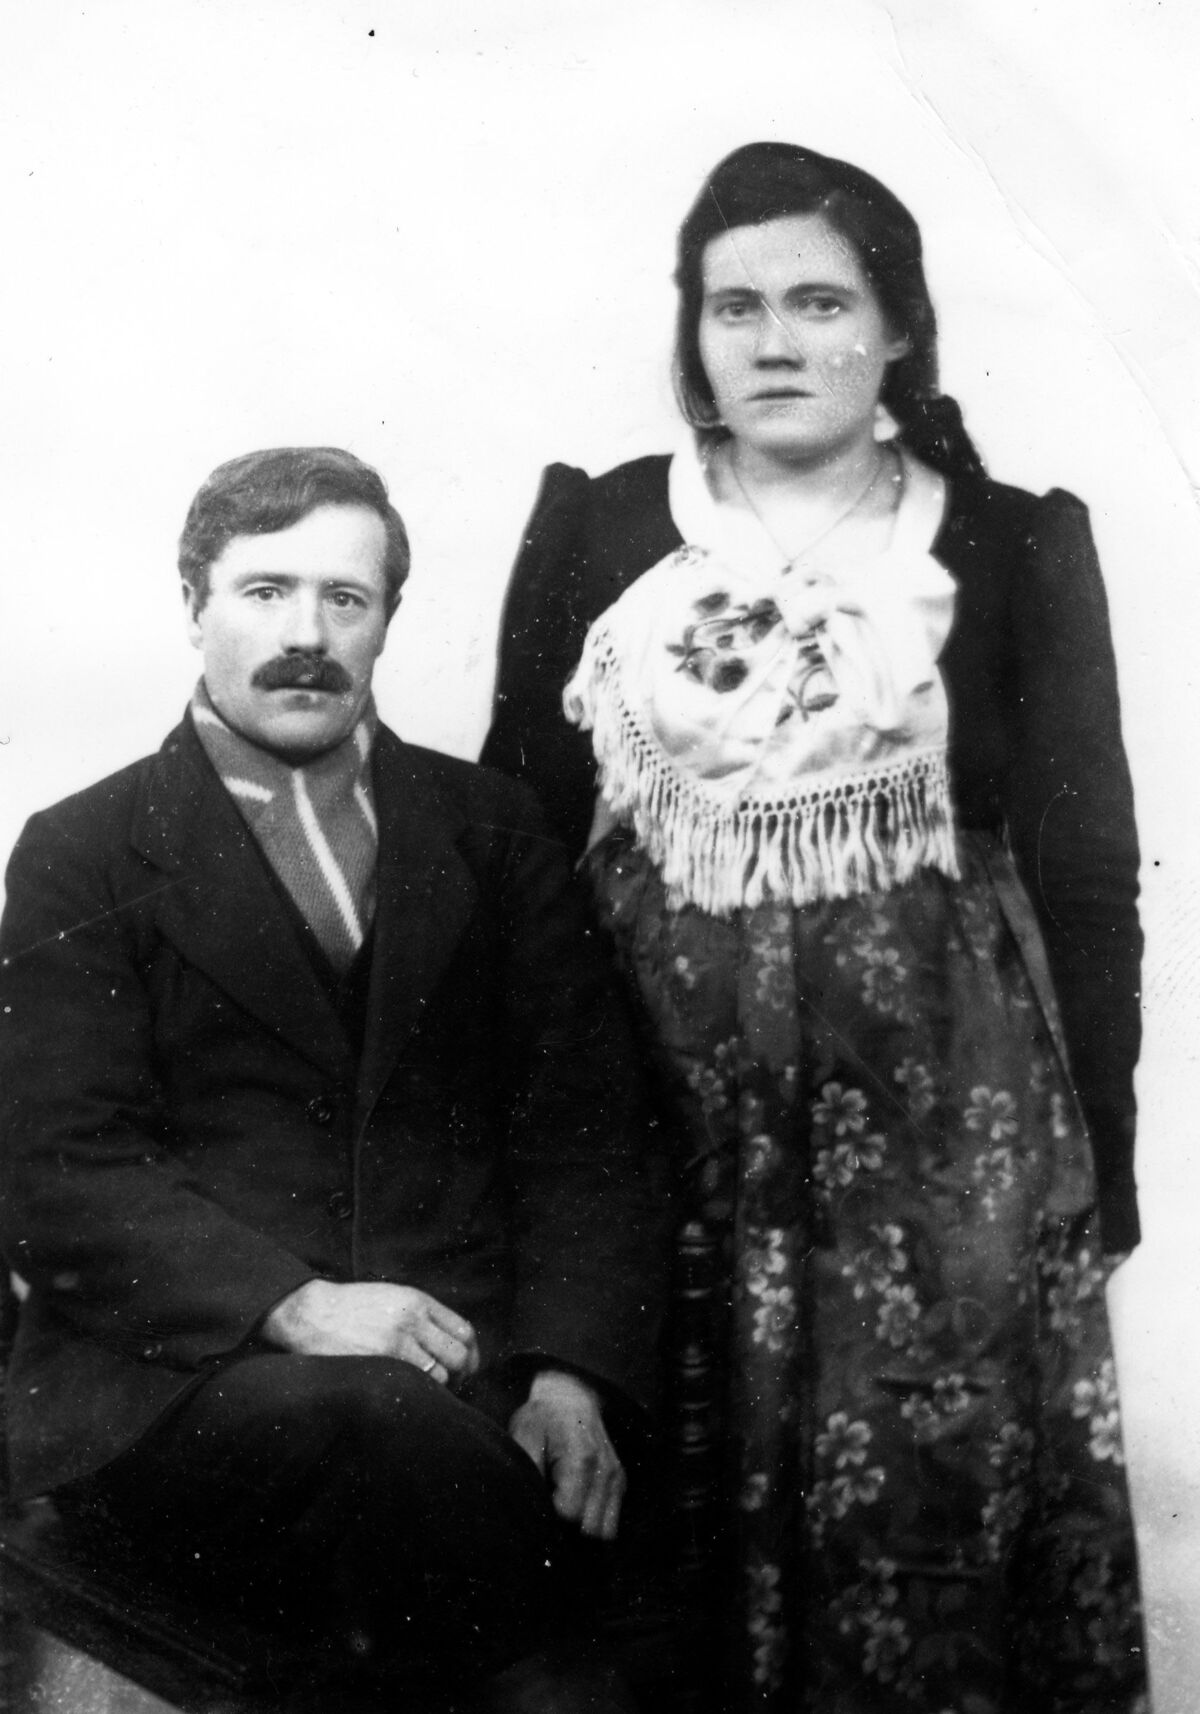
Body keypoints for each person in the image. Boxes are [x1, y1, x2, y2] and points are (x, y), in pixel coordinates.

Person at [483, 143, 1148, 1712]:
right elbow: (508, 861)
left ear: (898, 327)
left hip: (941, 1145)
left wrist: (1099, 1166)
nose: (774, 341)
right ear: (693, 330)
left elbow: (1088, 874)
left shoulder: (1010, 542)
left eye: (820, 303)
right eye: (736, 307)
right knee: (649, 1519)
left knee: (917, 1514)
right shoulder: (603, 528)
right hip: (658, 1122)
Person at [0, 446, 672, 1713]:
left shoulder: (493, 831)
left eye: (344, 599)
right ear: (194, 602)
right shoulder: (84, 851)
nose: (306, 635)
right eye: (265, 591)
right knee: (387, 1443)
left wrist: (570, 1374)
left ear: (387, 621)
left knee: (463, 1480)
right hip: (177, 1391)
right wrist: (294, 1305)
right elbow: (58, 1168)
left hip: (464, 1384)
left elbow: (586, 1139)